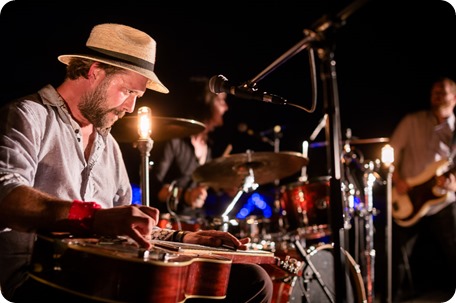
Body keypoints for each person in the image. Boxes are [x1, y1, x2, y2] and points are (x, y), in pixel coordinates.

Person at [0, 23, 273, 303]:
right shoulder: (27, 116)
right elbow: (6, 197)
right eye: (127, 91)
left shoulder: (110, 146)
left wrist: (183, 238)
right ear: (95, 72)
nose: (130, 107)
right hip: (37, 278)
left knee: (251, 280)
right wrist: (94, 218)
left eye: (137, 97)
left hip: (103, 273)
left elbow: (124, 226)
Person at [389, 76, 456, 301]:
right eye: (434, 91)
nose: (436, 96)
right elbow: (392, 151)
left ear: (454, 98)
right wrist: (396, 178)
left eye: (442, 92)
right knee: (397, 257)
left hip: (443, 200)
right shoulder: (412, 121)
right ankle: (393, 297)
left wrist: (451, 182)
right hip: (408, 196)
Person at [149, 77, 237, 227]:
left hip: (194, 222)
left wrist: (225, 185)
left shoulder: (208, 146)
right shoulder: (174, 140)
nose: (226, 107)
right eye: (221, 100)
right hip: (167, 224)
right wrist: (185, 195)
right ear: (206, 102)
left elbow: (202, 190)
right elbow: (153, 187)